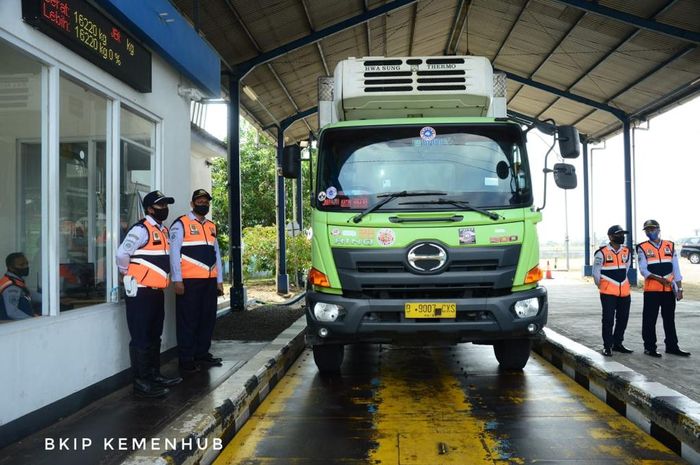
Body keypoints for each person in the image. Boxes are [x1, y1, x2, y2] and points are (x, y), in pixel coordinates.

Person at [116, 190, 183, 397]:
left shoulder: (161, 230)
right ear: (149, 209)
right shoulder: (141, 229)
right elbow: (122, 253)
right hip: (140, 292)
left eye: (166, 205)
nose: (165, 209)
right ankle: (141, 382)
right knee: (141, 337)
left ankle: (154, 375)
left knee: (154, 335)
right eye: (160, 206)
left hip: (156, 292)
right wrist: (125, 273)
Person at [169, 189, 224, 374]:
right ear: (192, 204)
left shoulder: (211, 226)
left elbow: (216, 254)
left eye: (206, 201)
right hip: (189, 282)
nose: (203, 204)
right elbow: (174, 253)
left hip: (209, 282)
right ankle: (186, 359)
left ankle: (202, 353)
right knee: (188, 321)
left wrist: (219, 280)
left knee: (207, 319)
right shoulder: (181, 224)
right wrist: (177, 280)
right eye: (199, 201)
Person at [636, 219, 690, 358]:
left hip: (668, 290)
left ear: (659, 230)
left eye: (652, 229)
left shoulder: (670, 246)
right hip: (652, 291)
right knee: (649, 319)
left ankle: (672, 346)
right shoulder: (642, 247)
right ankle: (649, 347)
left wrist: (680, 289)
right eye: (647, 230)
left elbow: (676, 269)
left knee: (669, 319)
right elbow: (643, 270)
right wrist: (658, 279)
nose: (650, 232)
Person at [592, 225, 633, 357]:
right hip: (608, 293)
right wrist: (603, 285)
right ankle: (607, 346)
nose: (621, 236)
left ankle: (618, 343)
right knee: (608, 320)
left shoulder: (626, 251)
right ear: (610, 237)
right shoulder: (602, 253)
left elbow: (626, 268)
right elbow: (596, 273)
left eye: (622, 234)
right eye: (618, 234)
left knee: (623, 319)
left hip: (624, 292)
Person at [0, 253, 40, 320]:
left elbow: (30, 294)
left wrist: (52, 299)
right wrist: (32, 321)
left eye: (27, 263)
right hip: (12, 325)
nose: (26, 266)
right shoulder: (11, 287)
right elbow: (12, 312)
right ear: (11, 267)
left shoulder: (15, 281)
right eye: (21, 265)